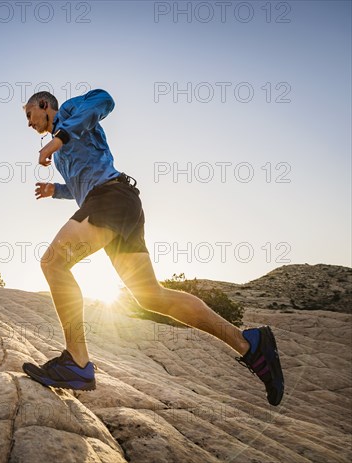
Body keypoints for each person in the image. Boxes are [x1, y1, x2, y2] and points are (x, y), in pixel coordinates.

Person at [21, 89, 285, 406]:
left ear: (44, 105)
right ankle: (249, 344)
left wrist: (59, 138)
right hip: (116, 203)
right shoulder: (61, 155)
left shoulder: (73, 111)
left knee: (54, 263)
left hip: (113, 198)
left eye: (29, 115)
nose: (28, 123)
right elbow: (84, 186)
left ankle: (77, 362)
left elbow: (105, 99)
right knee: (149, 296)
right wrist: (56, 190)